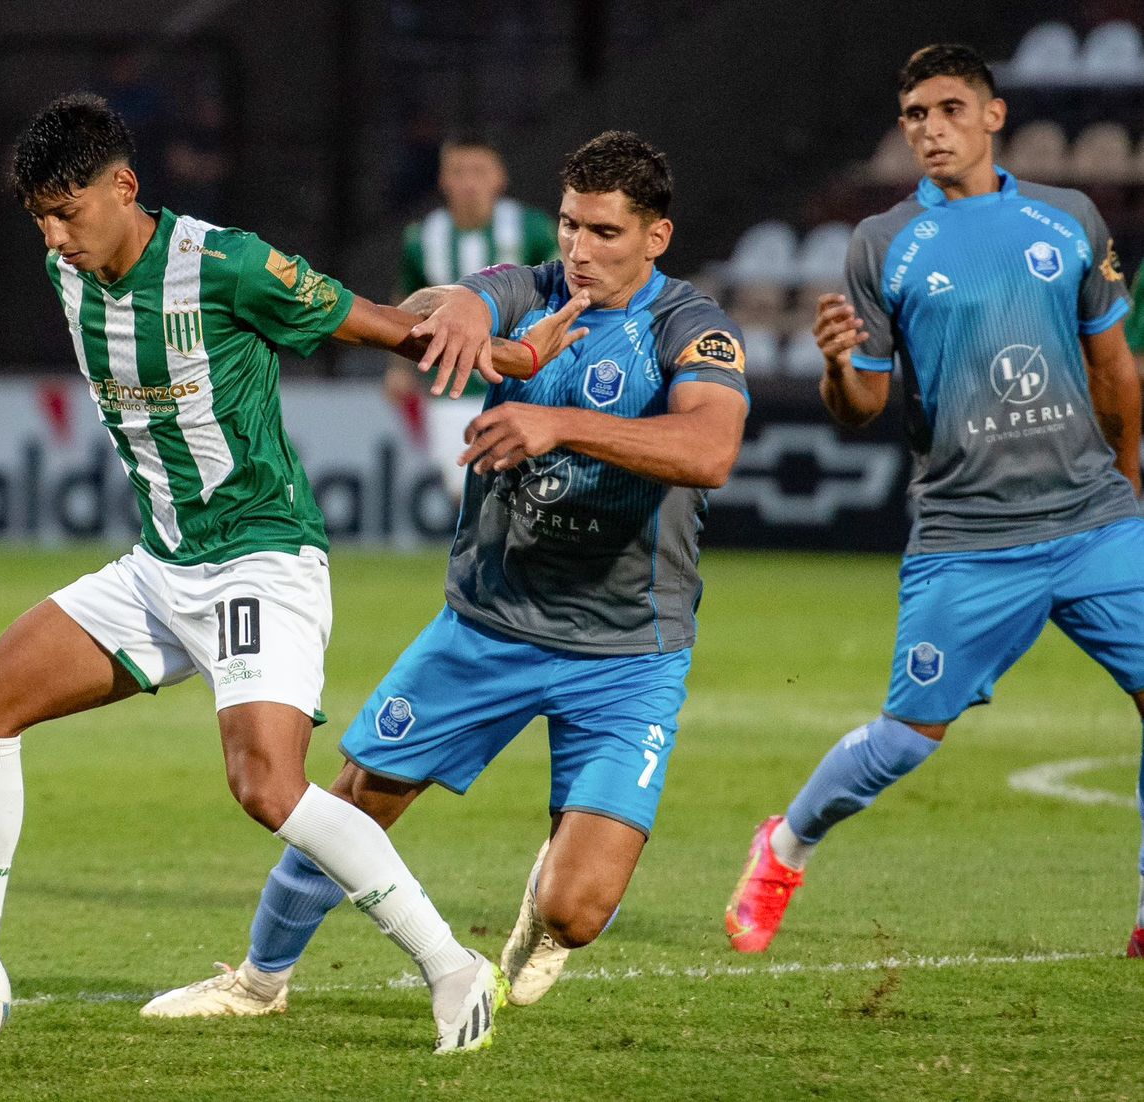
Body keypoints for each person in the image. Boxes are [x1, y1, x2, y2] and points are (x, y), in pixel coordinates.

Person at [0, 92, 587, 1054]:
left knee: (269, 787)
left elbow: (377, 325)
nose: (57, 238)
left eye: (69, 212)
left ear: (125, 188)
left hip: (259, 559)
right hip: (160, 566)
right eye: (42, 220)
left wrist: (516, 351)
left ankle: (452, 966)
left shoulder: (223, 266)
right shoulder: (70, 269)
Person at [138, 130, 749, 1019]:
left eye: (606, 234)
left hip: (629, 652)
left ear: (656, 238)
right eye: (571, 226)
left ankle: (546, 914)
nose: (579, 250)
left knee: (577, 913)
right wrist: (457, 305)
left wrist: (559, 425)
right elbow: (444, 303)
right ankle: (259, 981)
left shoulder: (690, 327)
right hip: (488, 626)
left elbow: (711, 448)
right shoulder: (529, 287)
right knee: (357, 801)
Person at [725, 44, 1143, 954]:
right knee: (908, 739)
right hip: (970, 535)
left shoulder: (1069, 217)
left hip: (1094, 523)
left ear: (994, 117)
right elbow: (862, 408)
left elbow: (1114, 368)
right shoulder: (883, 242)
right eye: (915, 115)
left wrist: (1131, 483)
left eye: (950, 109)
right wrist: (838, 362)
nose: (930, 129)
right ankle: (785, 844)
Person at [387, 137, 559, 500]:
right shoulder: (422, 237)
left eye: (479, 171)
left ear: (499, 177)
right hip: (452, 389)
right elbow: (406, 301)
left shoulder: (533, 228)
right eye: (458, 172)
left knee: (528, 496)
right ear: (442, 180)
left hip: (524, 385)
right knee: (465, 494)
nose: (468, 182)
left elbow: (561, 293)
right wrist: (398, 367)